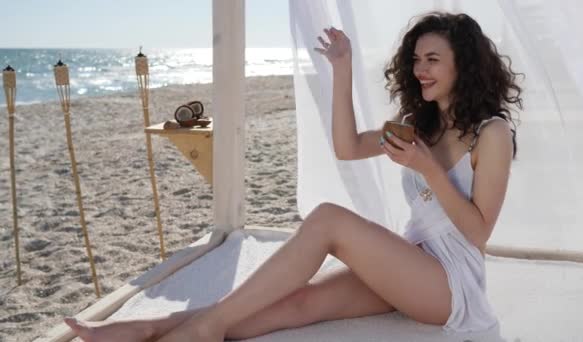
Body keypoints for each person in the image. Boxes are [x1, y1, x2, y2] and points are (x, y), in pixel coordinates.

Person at [65, 11, 521, 341]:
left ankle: (202, 330)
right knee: (295, 305)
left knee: (327, 219)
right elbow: (347, 148)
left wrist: (427, 168)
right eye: (417, 59)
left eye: (433, 59)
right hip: (411, 261)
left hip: (451, 283)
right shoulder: (419, 124)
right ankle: (151, 328)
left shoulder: (491, 133)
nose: (420, 69)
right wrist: (341, 70)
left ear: (464, 63)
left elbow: (479, 233)